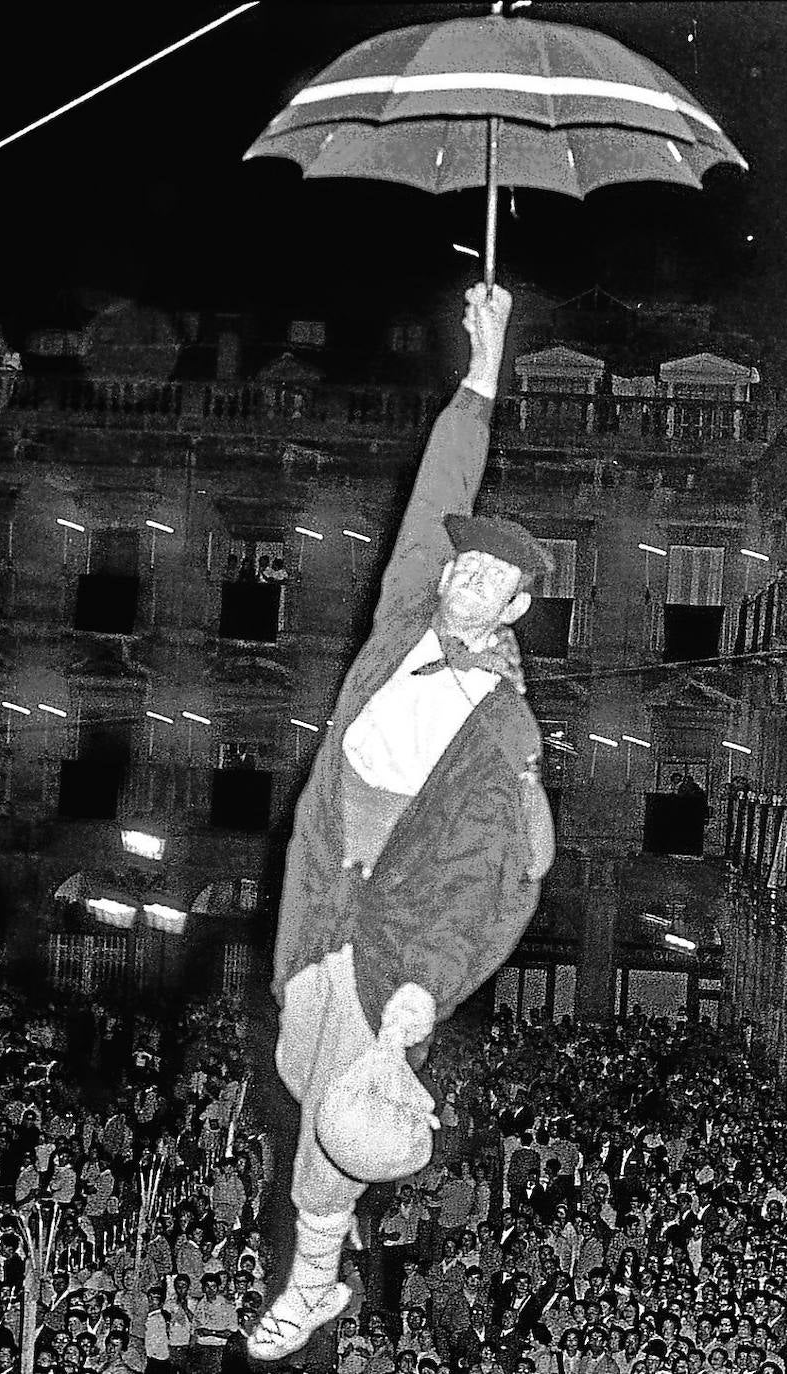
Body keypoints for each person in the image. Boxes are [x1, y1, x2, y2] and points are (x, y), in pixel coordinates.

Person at [249, 283, 556, 1362]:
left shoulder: (505, 727)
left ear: (515, 608)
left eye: (491, 573)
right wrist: (481, 371)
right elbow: (435, 500)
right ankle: (345, 1165)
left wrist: (426, 980)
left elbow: (489, 876)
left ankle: (316, 1275)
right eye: (464, 561)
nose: (465, 572)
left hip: (394, 918)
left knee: (336, 1101)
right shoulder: (403, 624)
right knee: (299, 1060)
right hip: (322, 876)